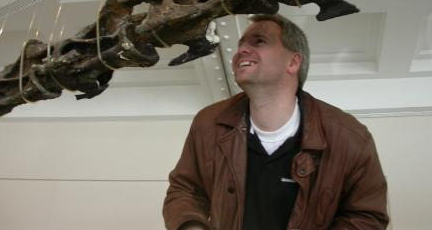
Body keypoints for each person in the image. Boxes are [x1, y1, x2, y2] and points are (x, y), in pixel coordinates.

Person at [163, 13, 389, 230]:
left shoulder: (351, 137)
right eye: (241, 43)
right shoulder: (208, 123)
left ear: (293, 62)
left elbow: (367, 217)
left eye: (259, 41)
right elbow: (185, 189)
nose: (241, 50)